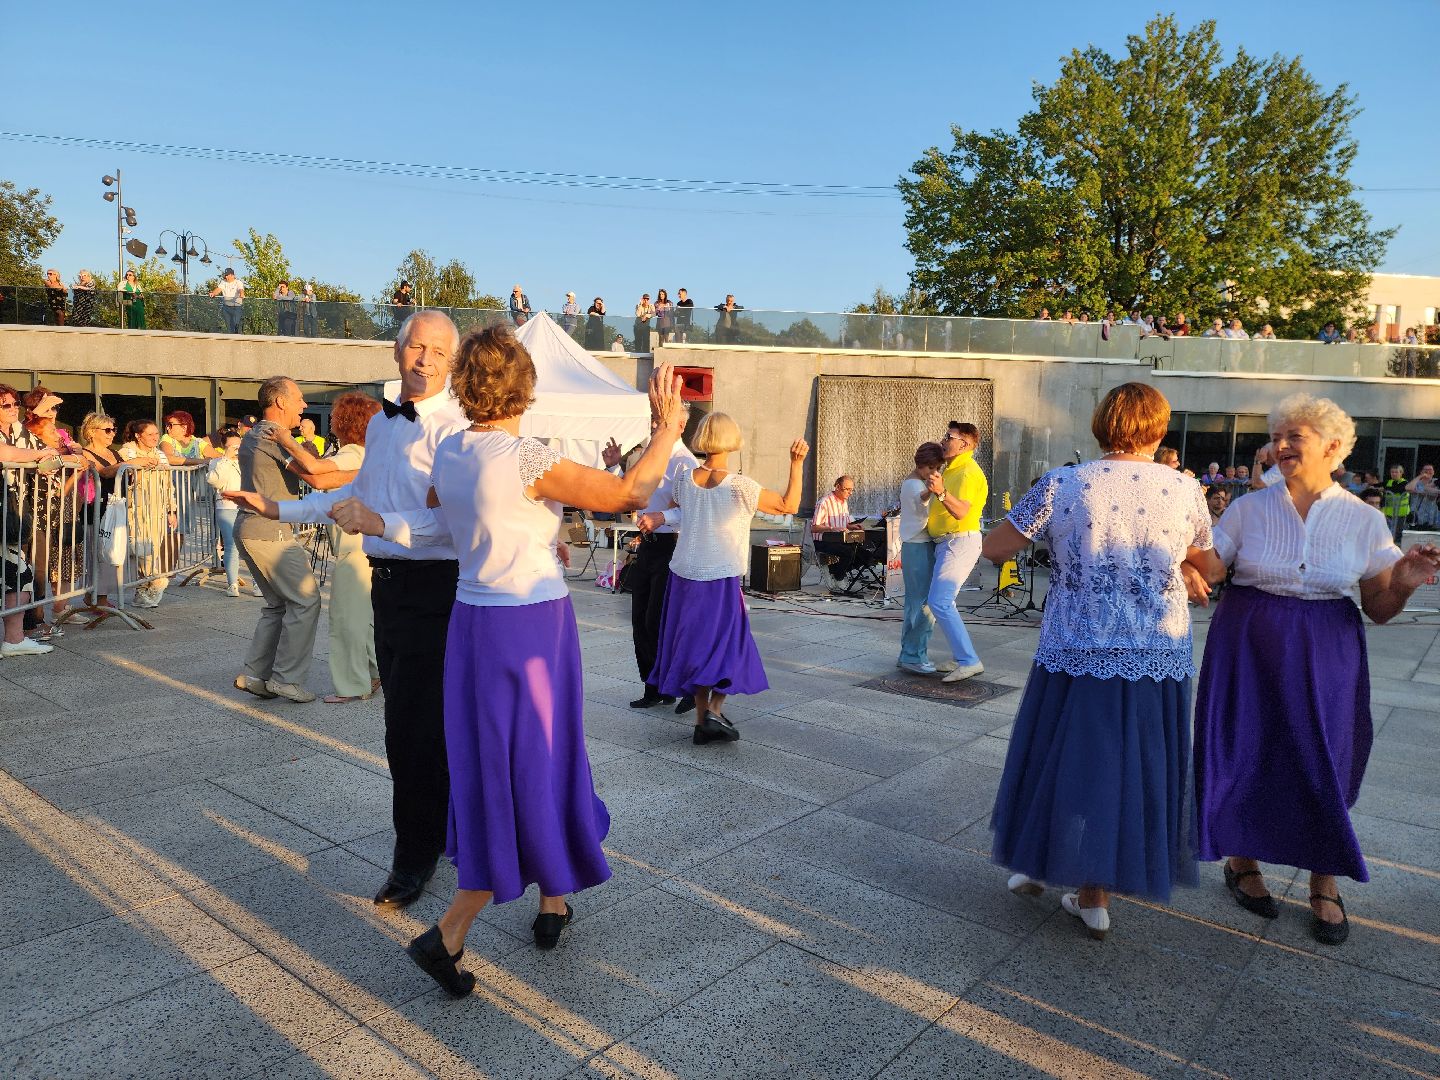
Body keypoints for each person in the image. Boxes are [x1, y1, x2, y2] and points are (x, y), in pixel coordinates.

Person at [323, 334, 685, 995]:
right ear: (525, 383)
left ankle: (553, 898)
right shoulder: (526, 458)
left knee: (503, 762)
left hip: (472, 621)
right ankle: (452, 930)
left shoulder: (455, 447)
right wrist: (666, 430)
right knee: (542, 758)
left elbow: (438, 520)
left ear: (464, 384)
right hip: (530, 626)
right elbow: (632, 493)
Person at [227, 311, 470, 909]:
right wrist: (277, 509)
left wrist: (384, 523)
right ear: (396, 350)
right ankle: (431, 838)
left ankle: (416, 857)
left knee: (420, 728)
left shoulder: (460, 429)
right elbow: (351, 495)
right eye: (416, 346)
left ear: (453, 361)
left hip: (438, 587)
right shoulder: (385, 428)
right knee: (404, 727)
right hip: (388, 586)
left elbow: (461, 520)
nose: (424, 359)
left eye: (438, 351)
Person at [1187, 393, 1440, 946]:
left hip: (1328, 643)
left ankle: (1325, 878)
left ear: (1333, 448)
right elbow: (1210, 564)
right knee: (1246, 747)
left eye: (1294, 436)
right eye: (1277, 436)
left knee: (1325, 754)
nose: (1280, 446)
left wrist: (1403, 580)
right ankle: (1242, 860)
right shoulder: (1248, 508)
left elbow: (1377, 607)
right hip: (1247, 640)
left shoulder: (1364, 519)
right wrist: (1181, 553)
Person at [983, 382, 1212, 939]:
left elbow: (995, 548)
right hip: (1155, 649)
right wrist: (1179, 566)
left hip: (1077, 642)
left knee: (1061, 753)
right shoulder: (1185, 490)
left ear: (1100, 425)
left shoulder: (1063, 483)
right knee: (1133, 764)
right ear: (1160, 429)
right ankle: (1094, 890)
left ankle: (1047, 866)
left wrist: (1059, 544)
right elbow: (1212, 564)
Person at [642, 413, 807, 744]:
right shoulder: (742, 486)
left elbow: (683, 510)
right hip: (720, 577)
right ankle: (714, 711)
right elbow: (789, 504)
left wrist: (661, 515)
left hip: (685, 575)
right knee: (728, 646)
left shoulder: (685, 479)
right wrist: (796, 463)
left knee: (693, 646)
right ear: (732, 440)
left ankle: (703, 719)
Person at [264, 393, 379, 702]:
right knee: (361, 618)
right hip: (364, 546)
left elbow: (318, 476)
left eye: (335, 415)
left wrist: (286, 445)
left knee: (347, 620)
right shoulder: (365, 452)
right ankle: (371, 674)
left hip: (354, 549)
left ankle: (354, 686)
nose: (330, 420)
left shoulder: (353, 452)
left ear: (347, 421)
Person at [231, 376, 322, 703]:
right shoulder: (272, 434)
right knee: (306, 598)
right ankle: (286, 679)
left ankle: (256, 675)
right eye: (298, 398)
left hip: (251, 527)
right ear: (280, 401)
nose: (304, 405)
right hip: (268, 530)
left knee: (277, 605)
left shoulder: (255, 433)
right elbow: (313, 474)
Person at [617, 411, 700, 712]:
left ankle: (688, 685)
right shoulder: (649, 456)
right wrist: (615, 464)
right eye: (653, 419)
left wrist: (661, 517)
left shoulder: (685, 462)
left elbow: (691, 509)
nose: (654, 424)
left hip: (671, 546)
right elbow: (628, 490)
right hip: (648, 545)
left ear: (680, 425)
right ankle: (654, 687)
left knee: (660, 621)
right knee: (640, 620)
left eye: (661, 420)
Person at [926, 421, 988, 683]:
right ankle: (961, 655)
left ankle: (969, 660)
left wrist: (940, 492)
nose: (943, 440)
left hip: (959, 542)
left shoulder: (967, 473)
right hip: (947, 542)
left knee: (939, 602)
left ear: (964, 444)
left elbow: (961, 511)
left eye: (948, 437)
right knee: (941, 602)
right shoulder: (952, 468)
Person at [21, 388, 85, 636]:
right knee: (35, 568)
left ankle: (36, 620)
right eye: (48, 411)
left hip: (54, 509)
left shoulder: (56, 439)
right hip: (35, 508)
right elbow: (58, 460)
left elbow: (80, 460)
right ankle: (33, 622)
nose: (56, 434)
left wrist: (70, 457)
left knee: (44, 565)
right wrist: (65, 456)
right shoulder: (29, 438)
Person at [897, 442, 945, 675]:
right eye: (932, 468)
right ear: (922, 465)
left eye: (937, 469)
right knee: (925, 603)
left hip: (915, 547)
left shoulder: (912, 481)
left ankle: (908, 652)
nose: (935, 473)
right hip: (918, 547)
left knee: (914, 602)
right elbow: (921, 499)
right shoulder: (913, 484)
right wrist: (934, 490)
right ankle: (914, 656)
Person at [118, 419, 176, 610]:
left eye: (156, 434)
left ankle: (142, 592)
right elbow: (123, 479)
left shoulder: (160, 454)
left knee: (152, 549)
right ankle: (158, 578)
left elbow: (169, 485)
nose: (154, 438)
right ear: (138, 435)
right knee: (140, 549)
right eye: (150, 434)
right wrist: (139, 467)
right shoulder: (127, 451)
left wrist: (171, 509)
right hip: (136, 509)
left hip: (157, 509)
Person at [78, 411, 123, 608]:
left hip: (114, 507)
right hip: (94, 507)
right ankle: (95, 596)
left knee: (110, 550)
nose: (112, 433)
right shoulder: (84, 453)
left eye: (113, 429)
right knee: (96, 551)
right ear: (92, 431)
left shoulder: (114, 452)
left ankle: (101, 595)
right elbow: (102, 472)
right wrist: (129, 464)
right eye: (107, 430)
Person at [205, 430, 244, 596]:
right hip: (227, 506)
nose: (236, 449)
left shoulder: (248, 460)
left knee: (251, 545)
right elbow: (214, 481)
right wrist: (226, 459)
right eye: (232, 446)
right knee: (231, 545)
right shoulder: (217, 462)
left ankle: (258, 583)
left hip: (248, 506)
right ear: (224, 446)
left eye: (239, 445)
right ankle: (232, 583)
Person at [811, 475, 860, 590]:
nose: (850, 493)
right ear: (838, 487)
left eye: (851, 489)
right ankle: (839, 577)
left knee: (863, 553)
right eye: (847, 489)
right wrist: (832, 528)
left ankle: (833, 569)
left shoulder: (844, 502)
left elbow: (844, 524)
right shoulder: (824, 502)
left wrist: (852, 527)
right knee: (848, 552)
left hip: (840, 538)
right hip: (822, 540)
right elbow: (814, 528)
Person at [210, 269, 245, 333]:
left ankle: (237, 338)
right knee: (229, 326)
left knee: (236, 325)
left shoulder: (238, 282)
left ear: (232, 275)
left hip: (236, 307)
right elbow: (218, 289)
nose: (226, 277)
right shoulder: (223, 282)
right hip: (226, 307)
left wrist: (242, 294)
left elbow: (241, 289)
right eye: (225, 275)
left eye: (227, 275)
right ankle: (231, 338)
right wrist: (213, 293)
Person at [1381, 464, 1410, 542]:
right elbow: (1378, 485)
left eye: (1396, 472)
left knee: (1398, 532)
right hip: (1388, 512)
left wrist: (1384, 489)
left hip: (1401, 513)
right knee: (1386, 531)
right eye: (1392, 472)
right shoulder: (1388, 482)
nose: (1394, 474)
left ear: (1401, 473)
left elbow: (1397, 489)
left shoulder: (1405, 483)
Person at [1405, 463, 1439, 528]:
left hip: (1432, 518)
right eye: (1425, 469)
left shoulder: (1436, 482)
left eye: (1430, 469)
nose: (1428, 471)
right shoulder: (1416, 482)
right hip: (1416, 517)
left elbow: (1433, 494)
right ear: (1421, 471)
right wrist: (1420, 476)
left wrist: (1419, 491)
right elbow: (1408, 488)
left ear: (1433, 472)